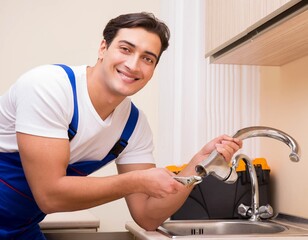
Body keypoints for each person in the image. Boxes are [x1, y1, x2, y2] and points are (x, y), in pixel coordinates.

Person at [0, 12, 242, 239]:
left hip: (20, 229)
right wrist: (136, 181)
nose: (134, 65)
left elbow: (148, 216)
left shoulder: (134, 127)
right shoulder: (49, 88)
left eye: (147, 59)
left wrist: (198, 163)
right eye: (125, 49)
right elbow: (50, 196)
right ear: (103, 48)